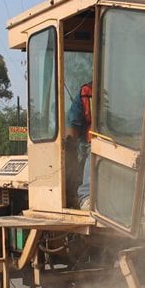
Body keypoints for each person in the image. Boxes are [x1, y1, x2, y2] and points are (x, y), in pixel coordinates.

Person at [67, 81, 93, 209]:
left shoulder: (122, 90)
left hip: (122, 141)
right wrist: (70, 146)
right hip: (93, 142)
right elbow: (73, 125)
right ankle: (86, 195)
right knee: (94, 150)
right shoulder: (85, 93)